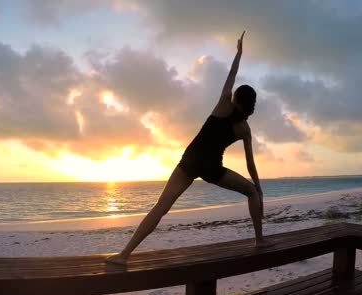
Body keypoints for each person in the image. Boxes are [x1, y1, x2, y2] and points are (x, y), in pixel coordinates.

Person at [106, 31, 273, 265]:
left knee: (161, 207)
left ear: (235, 98)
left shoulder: (224, 104)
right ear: (251, 105)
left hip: (190, 160)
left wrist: (239, 55)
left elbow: (230, 77)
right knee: (251, 192)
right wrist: (259, 187)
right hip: (212, 167)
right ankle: (259, 240)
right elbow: (250, 164)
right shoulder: (244, 128)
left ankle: (124, 255)